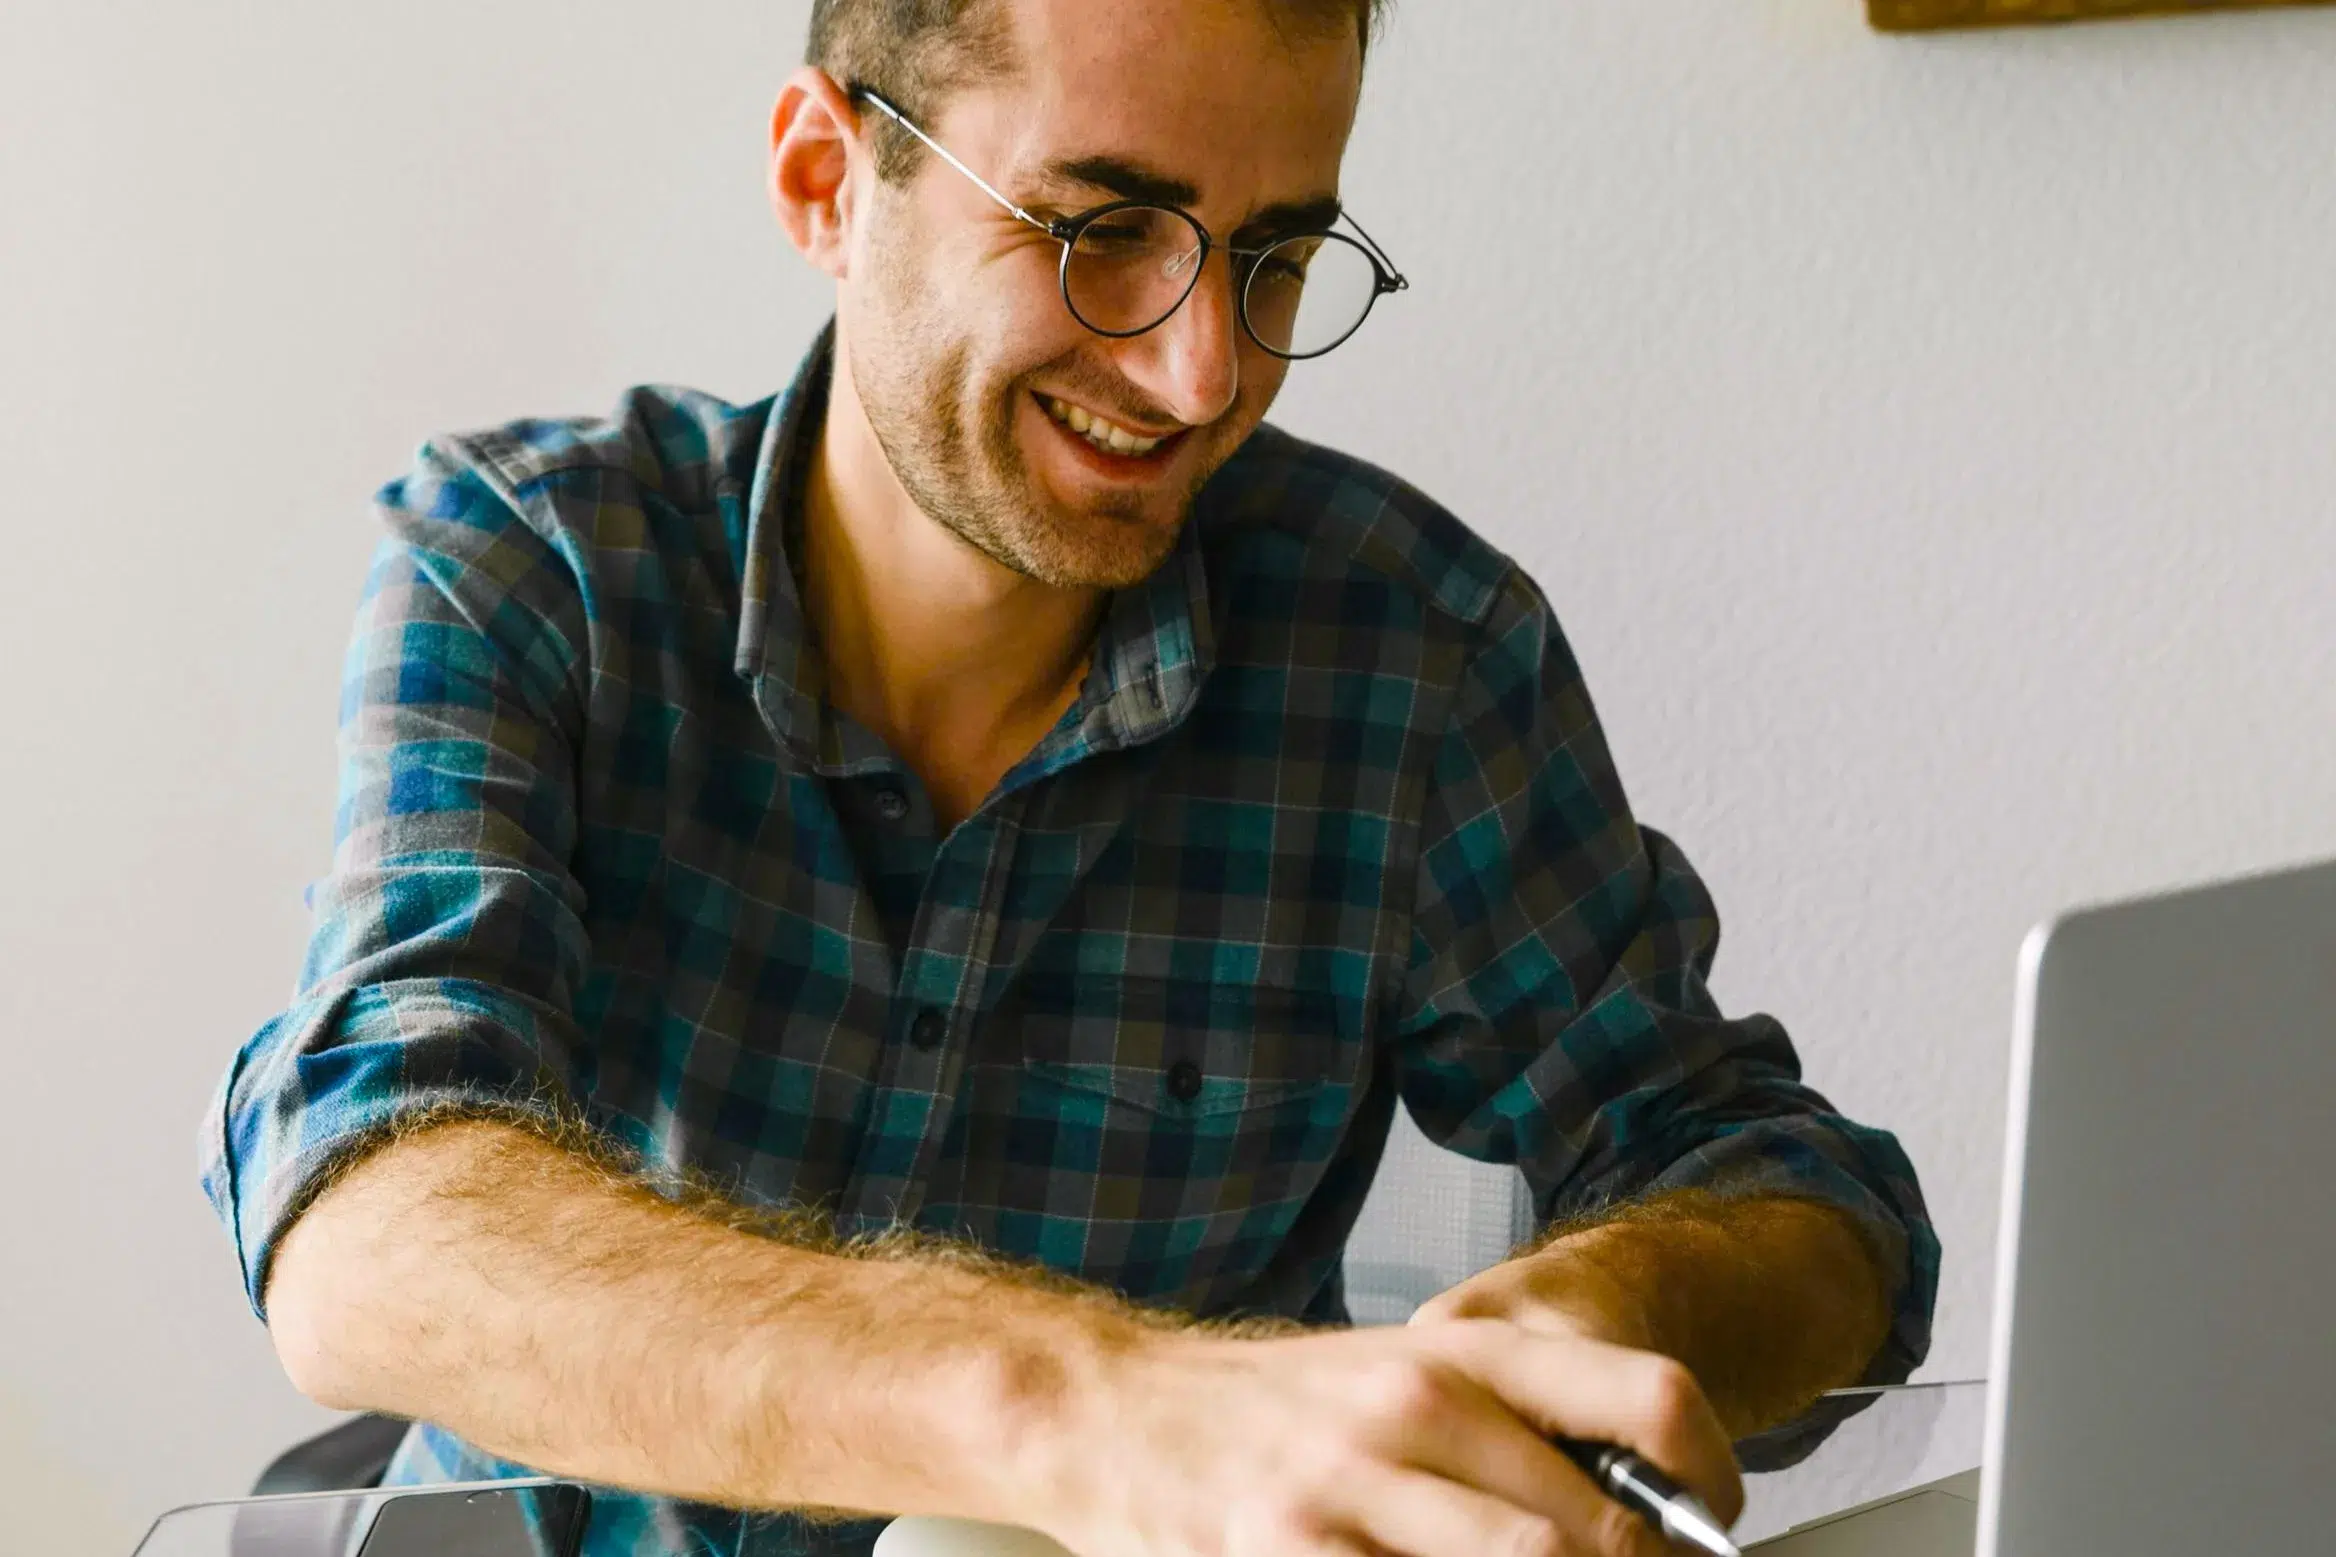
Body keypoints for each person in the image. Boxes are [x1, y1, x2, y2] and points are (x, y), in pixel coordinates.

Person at [199, 2, 1940, 1555]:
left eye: (1274, 259)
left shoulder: (1416, 654)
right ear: (826, 180)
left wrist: (1588, 1314)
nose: (1203, 373)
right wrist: (1094, 1412)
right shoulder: (535, 568)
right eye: (1104, 233)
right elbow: (370, 1221)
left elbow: (1795, 1190)